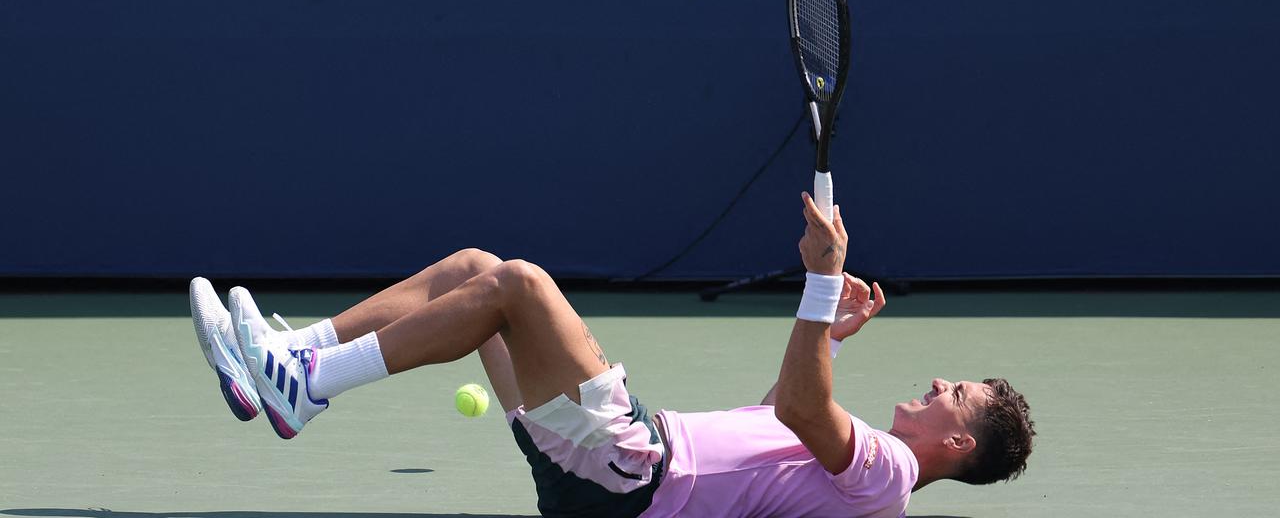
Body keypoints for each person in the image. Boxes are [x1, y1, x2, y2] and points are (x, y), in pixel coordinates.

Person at [189, 193, 1035, 517]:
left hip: (633, 471)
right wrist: (831, 343)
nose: (934, 382)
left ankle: (304, 387)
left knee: (517, 284)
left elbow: (801, 411)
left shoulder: (888, 472)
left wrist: (822, 285)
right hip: (606, 480)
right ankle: (289, 354)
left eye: (953, 392)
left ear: (958, 444)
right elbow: (786, 411)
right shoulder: (866, 478)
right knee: (477, 274)